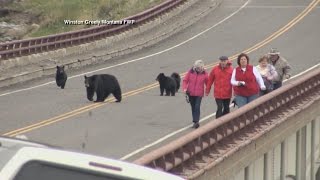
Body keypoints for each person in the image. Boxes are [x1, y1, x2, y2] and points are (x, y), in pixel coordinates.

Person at [183, 60, 208, 129]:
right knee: (193, 107)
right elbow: (185, 80)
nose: (198, 69)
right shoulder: (191, 72)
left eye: (199, 68)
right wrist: (185, 89)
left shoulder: (205, 74)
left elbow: (208, 83)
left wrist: (207, 91)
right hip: (190, 93)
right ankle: (195, 121)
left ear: (202, 67)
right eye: (197, 68)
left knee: (197, 107)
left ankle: (196, 122)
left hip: (199, 94)